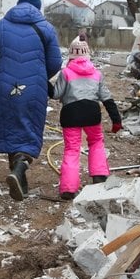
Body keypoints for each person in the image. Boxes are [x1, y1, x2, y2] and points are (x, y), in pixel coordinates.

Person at [0, 0, 62, 200]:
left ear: (19, 2)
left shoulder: (2, 25)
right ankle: (20, 168)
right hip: (33, 88)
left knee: (10, 126)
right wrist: (39, 73)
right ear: (37, 4)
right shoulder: (46, 28)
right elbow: (56, 63)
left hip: (4, 86)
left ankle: (20, 178)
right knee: (29, 128)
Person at [50, 33, 122, 200]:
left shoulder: (66, 73)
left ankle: (68, 189)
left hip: (70, 114)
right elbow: (107, 98)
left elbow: (55, 94)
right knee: (96, 142)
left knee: (72, 149)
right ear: (87, 53)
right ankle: (99, 175)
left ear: (71, 54)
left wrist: (45, 83)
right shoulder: (97, 74)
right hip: (92, 113)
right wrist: (116, 120)